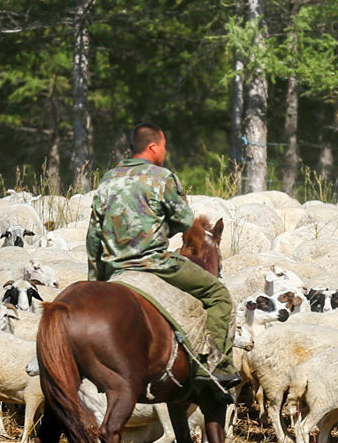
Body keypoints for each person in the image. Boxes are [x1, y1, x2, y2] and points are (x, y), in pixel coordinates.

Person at [86, 124, 239, 388]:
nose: (165, 152)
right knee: (219, 296)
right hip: (154, 264)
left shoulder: (108, 178)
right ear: (153, 146)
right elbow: (184, 220)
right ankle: (213, 365)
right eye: (164, 146)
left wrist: (96, 282)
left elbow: (93, 236)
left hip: (115, 269)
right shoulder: (162, 177)